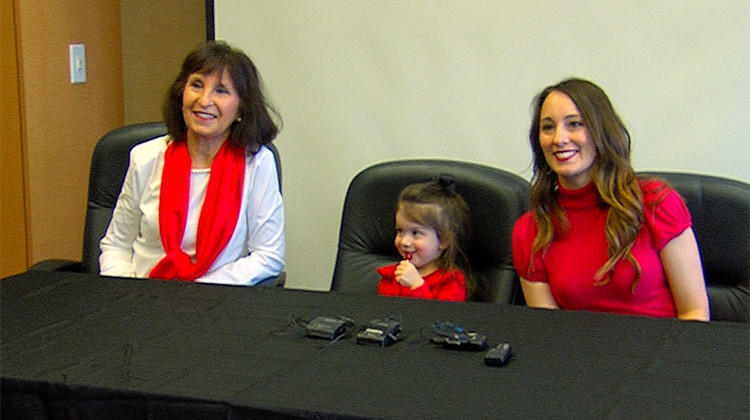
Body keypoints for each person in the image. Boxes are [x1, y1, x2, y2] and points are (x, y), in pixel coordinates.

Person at [512, 77, 710, 321]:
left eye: (574, 124)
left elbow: (694, 313)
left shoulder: (656, 202)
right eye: (548, 127)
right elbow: (548, 331)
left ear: (601, 132)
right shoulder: (530, 230)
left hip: (663, 353)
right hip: (582, 356)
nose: (559, 139)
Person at [99, 41, 284, 285]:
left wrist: (199, 293)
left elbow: (268, 255)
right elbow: (116, 245)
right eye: (196, 85)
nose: (204, 100)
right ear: (181, 93)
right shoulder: (146, 157)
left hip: (216, 303)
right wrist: (125, 292)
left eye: (221, 90)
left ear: (241, 107)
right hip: (141, 298)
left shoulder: (257, 163)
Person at [377, 176, 472, 301]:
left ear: (443, 240)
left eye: (416, 233)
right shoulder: (391, 276)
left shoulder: (451, 282)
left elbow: (438, 317)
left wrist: (417, 287)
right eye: (400, 231)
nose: (404, 242)